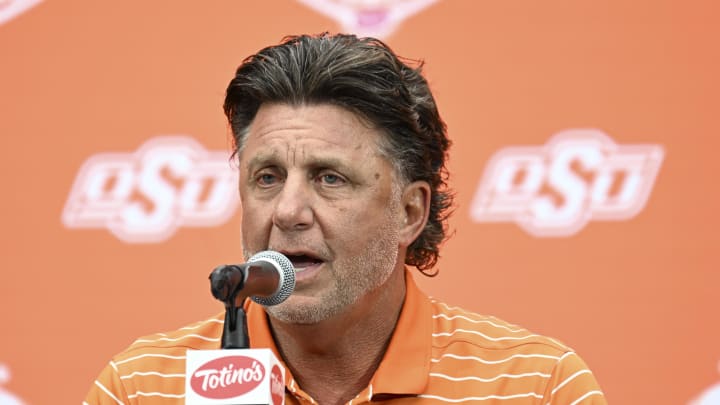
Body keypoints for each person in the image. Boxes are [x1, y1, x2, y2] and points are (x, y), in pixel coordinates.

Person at [84, 33, 606, 405]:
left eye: (330, 178)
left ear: (410, 212)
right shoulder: (140, 388)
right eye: (267, 177)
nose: (287, 211)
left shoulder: (537, 387)